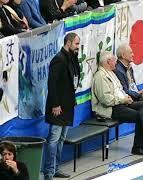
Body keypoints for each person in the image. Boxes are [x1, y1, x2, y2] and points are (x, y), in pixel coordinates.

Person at [92, 51, 143, 156]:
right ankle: (138, 147)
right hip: (111, 108)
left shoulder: (111, 73)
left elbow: (120, 90)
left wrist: (127, 97)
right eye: (114, 61)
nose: (116, 63)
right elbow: (106, 100)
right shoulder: (100, 77)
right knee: (140, 116)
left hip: (121, 102)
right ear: (108, 61)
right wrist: (123, 100)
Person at [44, 33, 81, 180]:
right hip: (58, 107)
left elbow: (73, 80)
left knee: (61, 139)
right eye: (76, 44)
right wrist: (55, 104)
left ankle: (56, 168)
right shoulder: (58, 60)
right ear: (68, 43)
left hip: (68, 105)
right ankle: (48, 172)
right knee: (53, 140)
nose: (78, 47)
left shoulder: (72, 58)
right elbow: (51, 84)